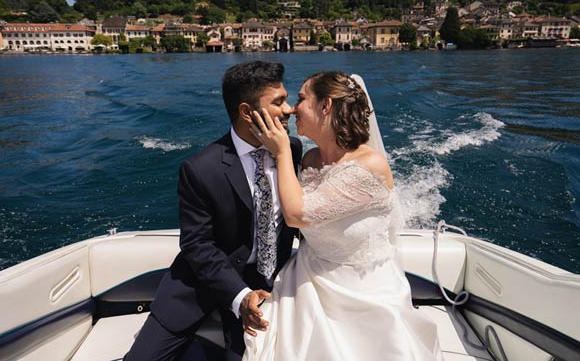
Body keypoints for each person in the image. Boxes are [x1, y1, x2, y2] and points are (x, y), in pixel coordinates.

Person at [243, 71, 443, 360]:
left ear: (326, 107)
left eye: (301, 99)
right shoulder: (310, 160)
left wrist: (283, 151)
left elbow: (297, 215)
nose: (292, 108)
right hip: (307, 276)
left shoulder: (368, 167)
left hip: (363, 289)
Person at [126, 61, 303, 360]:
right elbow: (197, 245)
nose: (289, 110)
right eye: (278, 102)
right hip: (200, 283)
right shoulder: (200, 169)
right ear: (247, 112)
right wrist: (240, 295)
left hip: (267, 283)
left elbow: (300, 216)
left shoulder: (292, 150)